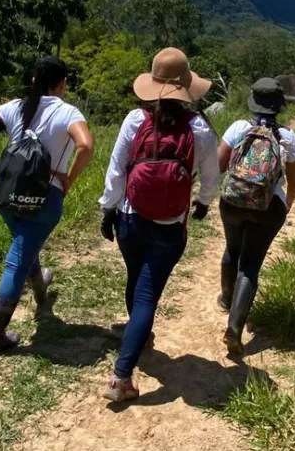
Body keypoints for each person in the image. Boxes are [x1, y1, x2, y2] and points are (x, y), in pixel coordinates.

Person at [97, 47, 219, 402]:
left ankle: (140, 335)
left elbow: (117, 168)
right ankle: (121, 378)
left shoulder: (135, 120)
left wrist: (109, 210)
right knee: (148, 293)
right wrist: (203, 204)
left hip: (130, 220)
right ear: (186, 88)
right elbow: (211, 177)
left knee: (136, 281)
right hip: (168, 226)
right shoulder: (199, 129)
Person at [0, 56, 94, 358]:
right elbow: (86, 146)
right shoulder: (67, 112)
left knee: (24, 243)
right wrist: (67, 180)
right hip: (44, 199)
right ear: (62, 83)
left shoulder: (14, 107)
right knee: (18, 258)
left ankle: (40, 284)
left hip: (8, 195)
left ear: (33, 79)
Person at [217, 77, 295, 356]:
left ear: (252, 101)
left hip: (232, 201)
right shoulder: (287, 137)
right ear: (279, 107)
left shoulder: (239, 128)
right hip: (268, 208)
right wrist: (285, 207)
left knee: (232, 248)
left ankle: (226, 299)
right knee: (250, 264)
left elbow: (218, 165)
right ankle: (235, 325)